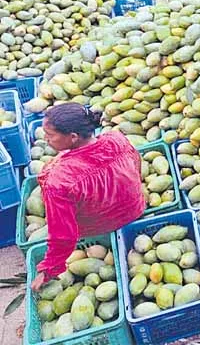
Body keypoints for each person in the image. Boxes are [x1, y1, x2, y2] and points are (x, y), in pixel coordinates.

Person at [30, 103, 146, 292]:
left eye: (50, 135)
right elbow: (136, 164)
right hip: (135, 210)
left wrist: (48, 270)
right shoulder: (116, 139)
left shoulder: (59, 180)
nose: (45, 139)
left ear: (73, 137)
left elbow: (63, 235)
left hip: (98, 227)